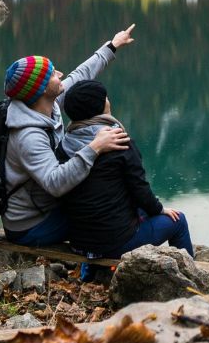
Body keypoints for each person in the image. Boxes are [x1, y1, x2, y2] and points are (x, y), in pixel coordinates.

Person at [0, 24, 136, 246]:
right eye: (53, 74)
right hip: (31, 225)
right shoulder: (28, 136)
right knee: (109, 212)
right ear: (42, 88)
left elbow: (81, 74)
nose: (60, 74)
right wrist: (95, 146)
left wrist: (112, 45)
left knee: (108, 200)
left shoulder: (46, 103)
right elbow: (55, 183)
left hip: (46, 205)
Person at [57, 78, 193, 260]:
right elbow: (139, 188)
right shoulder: (118, 143)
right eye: (105, 98)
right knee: (178, 221)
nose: (108, 101)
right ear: (98, 107)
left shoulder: (65, 143)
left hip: (79, 243)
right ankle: (193, 279)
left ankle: (89, 271)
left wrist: (153, 208)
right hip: (114, 245)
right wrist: (160, 210)